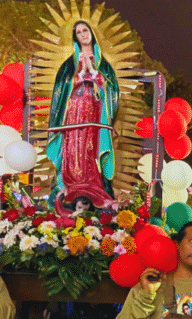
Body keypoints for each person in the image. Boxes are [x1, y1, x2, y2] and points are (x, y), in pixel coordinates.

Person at [47, 20, 120, 212]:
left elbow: (112, 89)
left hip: (95, 112)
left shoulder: (103, 64)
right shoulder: (68, 64)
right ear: (75, 37)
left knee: (90, 147)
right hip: (73, 112)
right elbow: (61, 89)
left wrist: (96, 76)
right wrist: (79, 77)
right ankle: (70, 183)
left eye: (85, 30)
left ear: (92, 33)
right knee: (73, 146)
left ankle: (94, 185)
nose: (83, 34)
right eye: (78, 32)